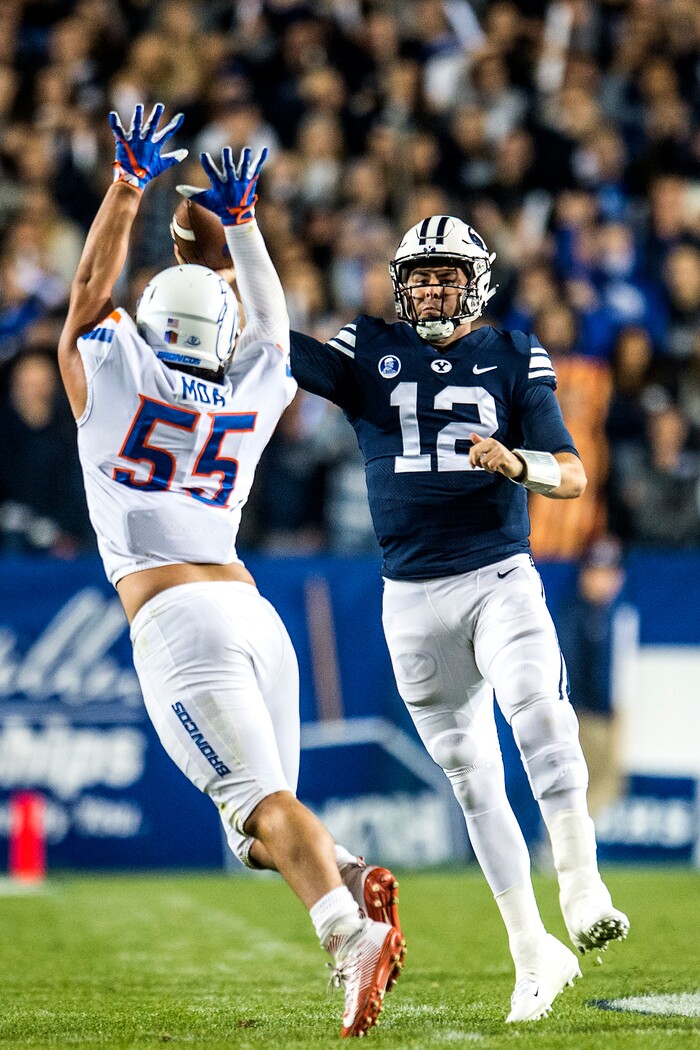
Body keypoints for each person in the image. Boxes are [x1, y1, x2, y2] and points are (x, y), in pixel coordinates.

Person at [57, 102, 405, 1040]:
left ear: (148, 324)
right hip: (253, 615)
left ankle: (345, 934)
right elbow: (274, 322)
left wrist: (127, 186)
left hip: (178, 621)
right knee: (256, 826)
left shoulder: (113, 368)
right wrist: (243, 224)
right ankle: (349, 874)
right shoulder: (249, 389)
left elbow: (89, 290)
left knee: (258, 804)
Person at [284, 215, 629, 1023]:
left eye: (447, 275)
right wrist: (238, 274)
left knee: (539, 710)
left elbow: (573, 475)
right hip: (408, 594)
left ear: (477, 279)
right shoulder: (366, 346)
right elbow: (281, 353)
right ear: (402, 283)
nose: (434, 288)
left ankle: (581, 884)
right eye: (422, 275)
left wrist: (516, 462)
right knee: (475, 783)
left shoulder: (513, 353)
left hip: (498, 576)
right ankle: (531, 950)